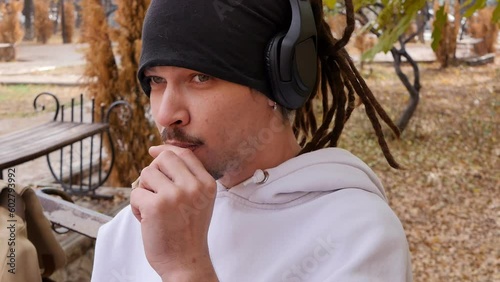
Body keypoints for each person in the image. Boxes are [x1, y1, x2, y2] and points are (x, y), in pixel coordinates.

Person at [91, 0, 412, 281]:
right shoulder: (132, 226)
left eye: (200, 77)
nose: (165, 114)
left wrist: (185, 270)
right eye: (157, 80)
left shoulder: (359, 238)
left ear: (280, 82)